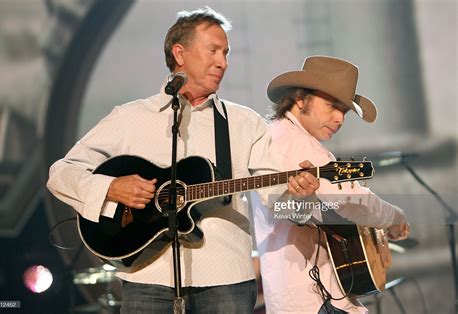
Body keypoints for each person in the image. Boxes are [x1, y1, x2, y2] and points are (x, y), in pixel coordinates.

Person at [47, 7, 319, 313]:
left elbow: (277, 200)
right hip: (147, 278)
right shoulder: (130, 117)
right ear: (180, 53)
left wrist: (300, 197)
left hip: (225, 280)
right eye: (214, 50)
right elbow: (61, 172)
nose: (223, 62)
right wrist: (111, 188)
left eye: (226, 53)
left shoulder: (245, 122)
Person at [251, 56, 410, 313]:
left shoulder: (284, 137)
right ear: (300, 99)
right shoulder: (294, 144)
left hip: (315, 291)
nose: (339, 119)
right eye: (332, 106)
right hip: (313, 295)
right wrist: (394, 218)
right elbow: (353, 203)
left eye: (344, 111)